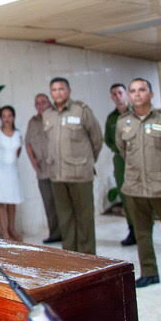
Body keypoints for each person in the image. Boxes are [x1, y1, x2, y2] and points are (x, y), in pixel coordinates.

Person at [116, 78, 161, 297]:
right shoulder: (124, 123)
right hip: (135, 188)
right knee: (142, 234)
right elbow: (123, 151)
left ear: (150, 94)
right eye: (132, 91)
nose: (137, 94)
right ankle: (149, 272)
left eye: (142, 90)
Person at [43, 77, 103, 255]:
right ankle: (71, 258)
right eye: (54, 90)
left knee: (84, 219)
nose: (58, 93)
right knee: (65, 221)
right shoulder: (48, 114)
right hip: (57, 176)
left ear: (69, 91)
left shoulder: (81, 111)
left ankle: (88, 259)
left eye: (61, 89)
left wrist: (86, 162)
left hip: (80, 175)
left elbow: (97, 139)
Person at [25, 93, 61, 244]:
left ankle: (69, 234)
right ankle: (55, 234)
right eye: (37, 103)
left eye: (43, 102)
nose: (40, 105)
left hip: (60, 170)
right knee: (49, 204)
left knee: (62, 204)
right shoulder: (33, 122)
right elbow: (28, 144)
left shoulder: (57, 116)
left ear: (49, 103)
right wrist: (33, 162)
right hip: (42, 170)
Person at [105, 83, 136, 246]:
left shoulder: (137, 113)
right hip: (121, 162)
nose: (117, 96)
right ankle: (133, 230)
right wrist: (119, 150)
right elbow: (107, 140)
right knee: (126, 196)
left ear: (126, 94)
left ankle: (145, 230)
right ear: (111, 97)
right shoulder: (111, 118)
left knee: (144, 197)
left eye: (120, 93)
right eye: (114, 94)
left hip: (139, 160)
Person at [0, 106, 24, 241]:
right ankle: (3, 231)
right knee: (1, 201)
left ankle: (12, 229)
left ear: (13, 117)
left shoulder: (18, 134)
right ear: (0, 118)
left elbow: (18, 152)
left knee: (12, 201)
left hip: (12, 172)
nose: (7, 119)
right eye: (4, 116)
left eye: (9, 116)